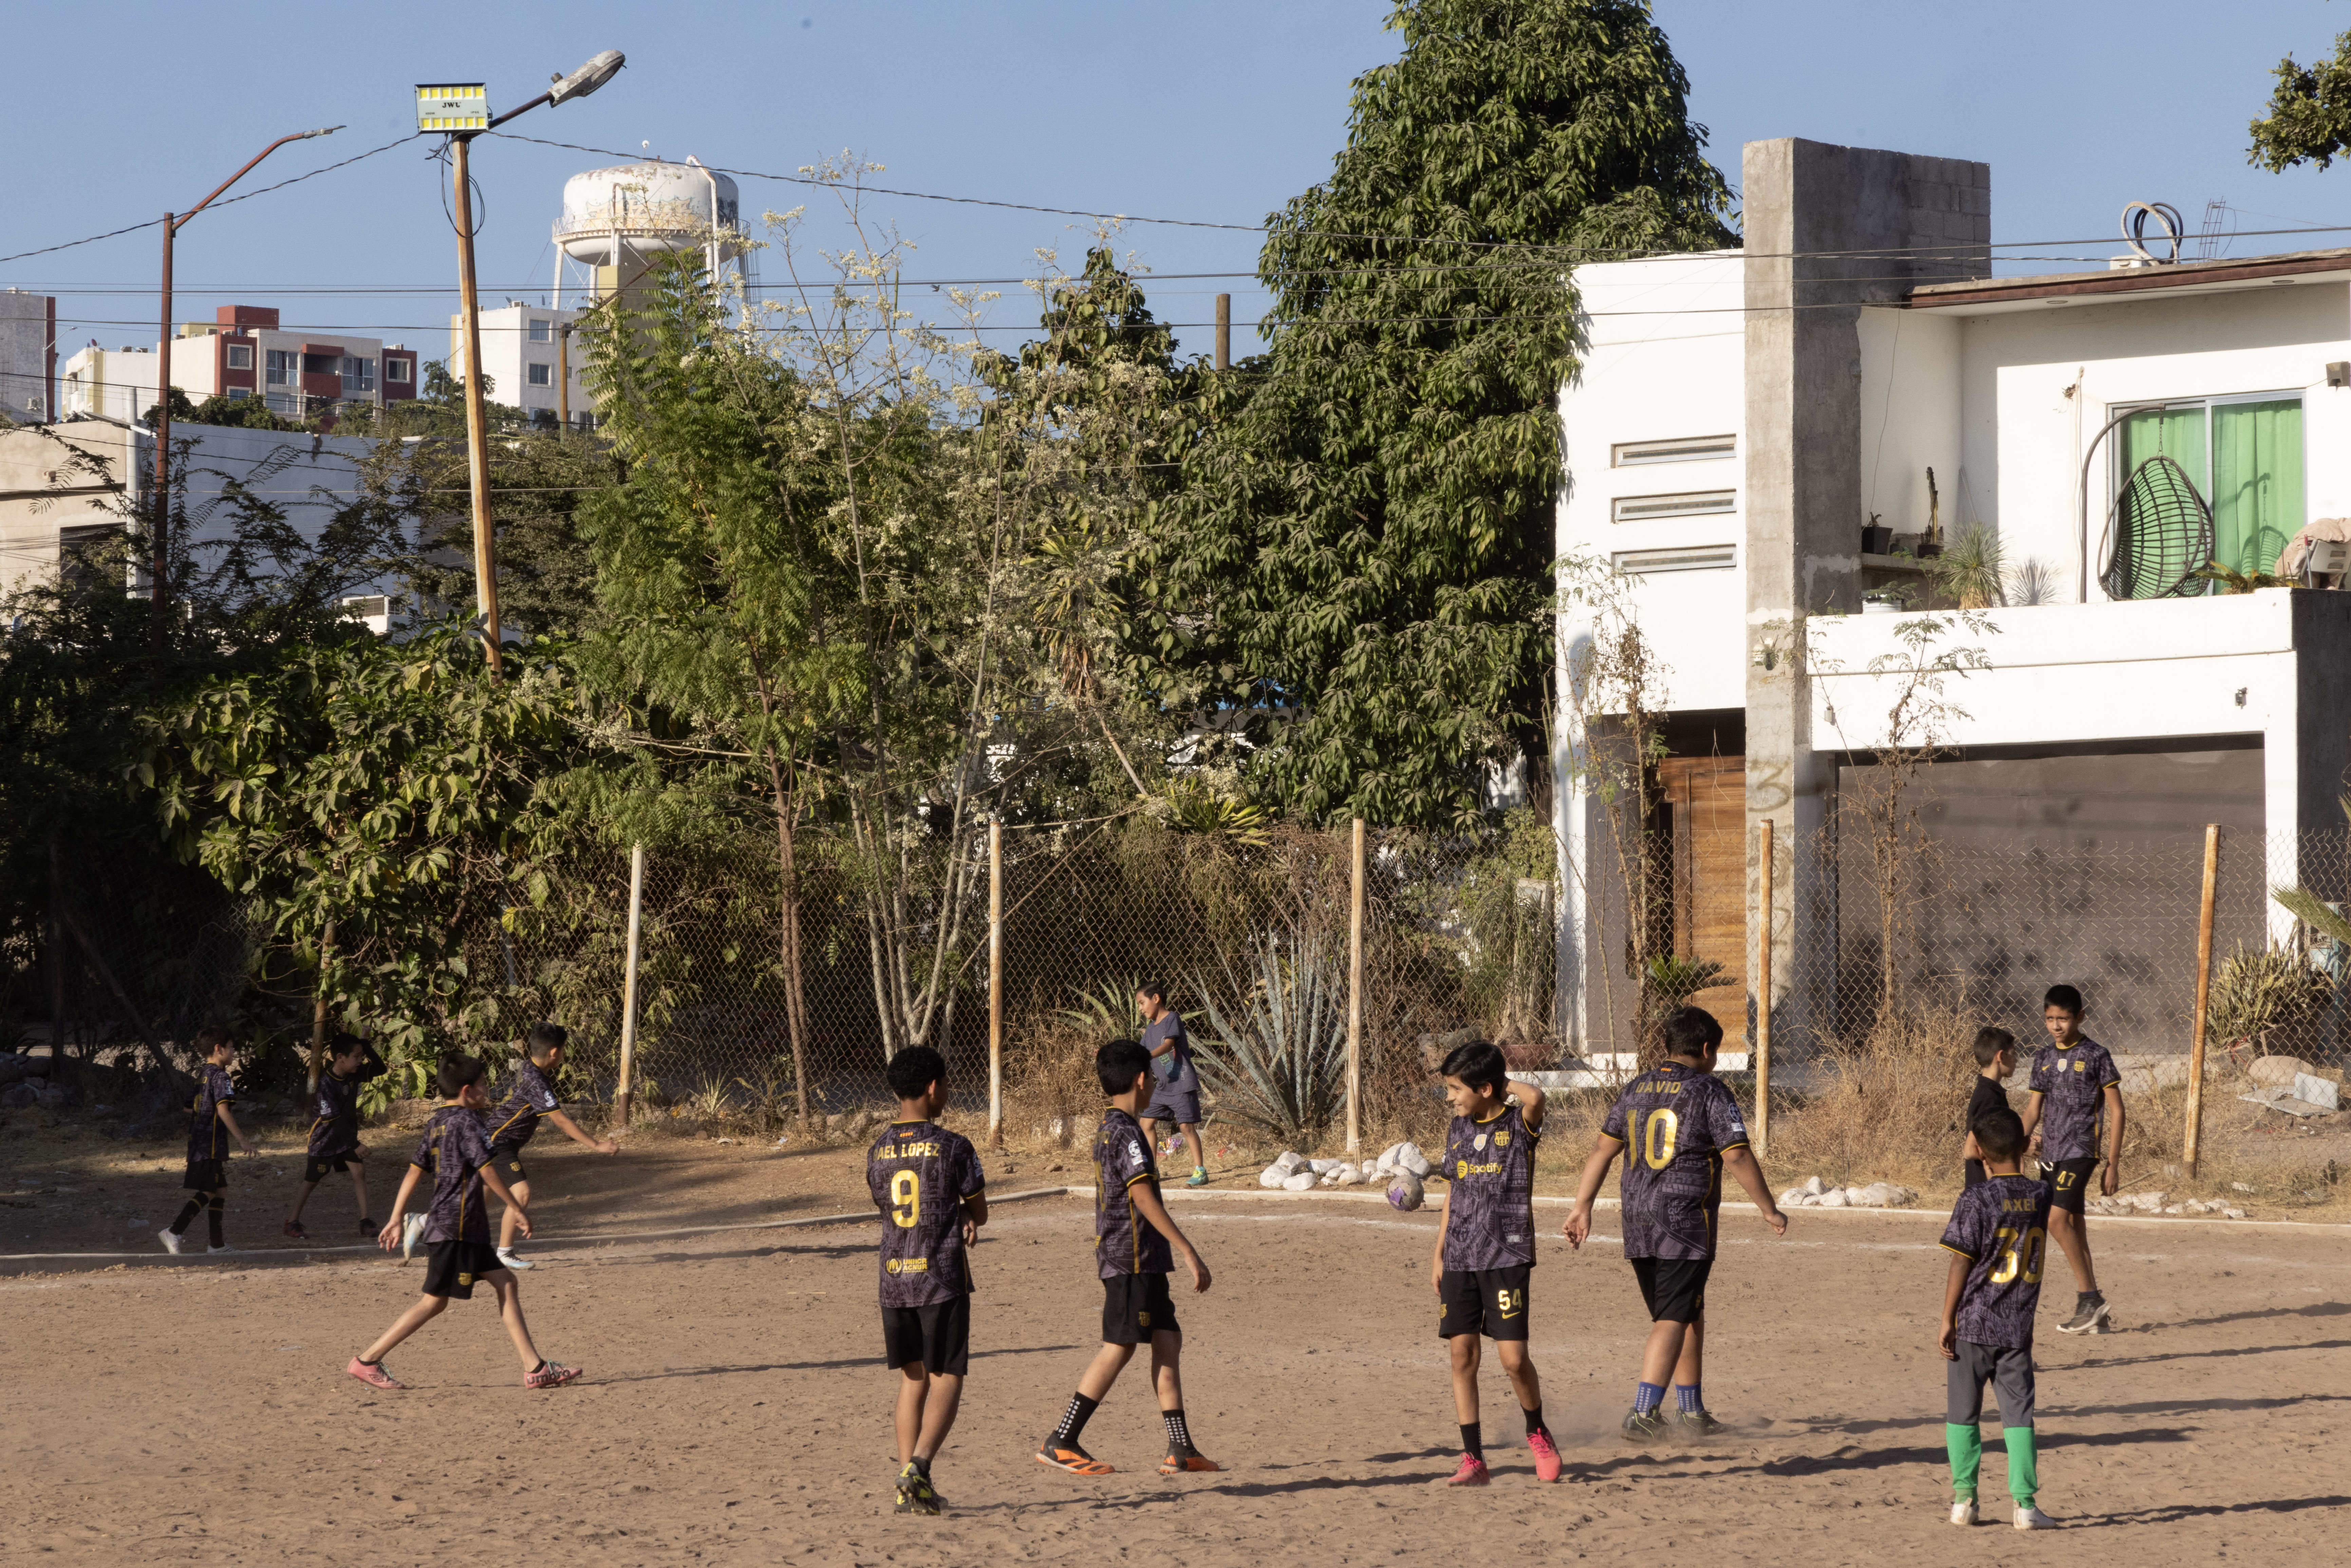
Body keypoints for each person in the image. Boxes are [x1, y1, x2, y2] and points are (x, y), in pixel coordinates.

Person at [1564, 1005, 1787, 1443]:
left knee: (1687, 1309)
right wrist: (1768, 1208)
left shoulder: (1635, 1087)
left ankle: (1691, 1411)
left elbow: (1601, 1150)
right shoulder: (1709, 1090)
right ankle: (1643, 1412)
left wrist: (1582, 1206)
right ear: (1707, 1049)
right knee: (1671, 1316)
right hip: (1684, 1221)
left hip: (1637, 1219)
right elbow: (1737, 1154)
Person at [1035, 1037, 1219, 1478]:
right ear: (1141, 1079)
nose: (1156, 1082)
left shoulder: (1111, 1128)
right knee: (1119, 1347)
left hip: (1144, 1260)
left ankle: (1181, 1448)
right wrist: (1188, 1249)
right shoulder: (1127, 1133)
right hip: (1130, 1258)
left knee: (1167, 1340)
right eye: (1153, 1076)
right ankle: (1062, 1439)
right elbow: (1141, 1195)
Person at [347, 1053, 580, 1391]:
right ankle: (366, 1360)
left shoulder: (437, 1122)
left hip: (465, 1227)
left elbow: (415, 1171)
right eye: (485, 1085)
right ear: (469, 1090)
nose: (488, 1090)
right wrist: (516, 1208)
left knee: (506, 1282)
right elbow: (488, 1169)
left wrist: (398, 1216)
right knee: (434, 1302)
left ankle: (535, 1368)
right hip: (455, 1229)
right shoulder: (470, 1122)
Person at [1430, 1039, 1558, 1486]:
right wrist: (1440, 1251)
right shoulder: (1458, 1128)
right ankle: (1473, 1458)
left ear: (1484, 1087)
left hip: (1506, 1255)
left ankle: (1538, 1429)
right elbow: (1454, 1191)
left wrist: (1499, 1082)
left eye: (1455, 1088)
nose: (1450, 1097)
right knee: (1461, 1354)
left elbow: (1536, 1097)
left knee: (1513, 1359)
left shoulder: (1519, 1124)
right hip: (1461, 1255)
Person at [868, 1044, 988, 1516]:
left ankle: (907, 1483)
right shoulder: (954, 1146)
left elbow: (887, 1207)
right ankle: (918, 1465)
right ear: (934, 1087)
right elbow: (978, 1209)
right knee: (948, 1377)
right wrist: (963, 1213)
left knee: (912, 1378)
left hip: (894, 1280)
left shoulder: (878, 1150)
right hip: (939, 1278)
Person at [1937, 1106, 2058, 1530]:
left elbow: (1959, 1263)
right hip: (2016, 1328)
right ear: (2025, 1145)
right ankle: (2025, 1505)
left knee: (1962, 1415)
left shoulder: (1974, 1198)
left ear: (1980, 1152)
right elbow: (2046, 1178)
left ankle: (1963, 1499)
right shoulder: (2041, 1197)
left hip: (1971, 1323)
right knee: (2019, 1417)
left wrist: (1946, 1318)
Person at [2017, 984, 2123, 1334]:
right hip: (2050, 1155)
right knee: (2075, 1227)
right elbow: (2033, 1110)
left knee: (2055, 1221)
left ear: (2079, 1017)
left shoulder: (2096, 1055)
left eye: (2063, 1018)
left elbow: (2117, 1110)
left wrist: (2112, 1162)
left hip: (2081, 1152)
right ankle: (2098, 1316)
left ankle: (2089, 1298)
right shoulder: (2043, 1059)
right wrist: (2015, 1144)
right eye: (2050, 1019)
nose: (2056, 1025)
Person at [482, 1022, 619, 1271]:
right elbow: (561, 1120)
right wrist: (597, 1144)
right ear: (554, 1053)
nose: (564, 1055)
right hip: (499, 1142)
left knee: (478, 1202)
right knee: (521, 1192)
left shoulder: (530, 1069)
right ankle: (504, 1253)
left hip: (491, 1137)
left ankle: (425, 1222)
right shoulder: (537, 1081)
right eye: (564, 1050)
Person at [160, 1026, 255, 1255]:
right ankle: (174, 1231)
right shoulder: (221, 1077)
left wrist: (202, 1117)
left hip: (199, 1141)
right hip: (210, 1144)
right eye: (232, 1047)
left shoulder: (203, 1074)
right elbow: (224, 1111)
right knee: (211, 1190)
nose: (234, 1052)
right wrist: (243, 1140)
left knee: (220, 1189)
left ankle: (217, 1244)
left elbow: (188, 1106)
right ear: (219, 1048)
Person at [285, 1032, 386, 1240]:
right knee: (312, 1180)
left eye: (362, 1056)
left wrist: (365, 1045)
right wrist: (356, 1144)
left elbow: (381, 1068)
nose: (361, 1061)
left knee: (359, 1173)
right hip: (326, 1140)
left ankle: (366, 1221)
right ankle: (292, 1222)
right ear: (341, 1058)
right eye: (357, 1057)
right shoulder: (326, 1084)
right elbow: (335, 1121)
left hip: (345, 1137)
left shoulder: (354, 1073)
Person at [1136, 983, 1209, 1188]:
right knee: (1146, 1124)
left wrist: (1147, 1055)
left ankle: (1200, 1171)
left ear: (1156, 999)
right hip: (1163, 1087)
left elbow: (1169, 1045)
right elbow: (1139, 1051)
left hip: (1182, 1083)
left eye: (1142, 1003)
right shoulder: (1150, 1030)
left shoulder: (1172, 1019)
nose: (1140, 1009)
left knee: (1186, 1127)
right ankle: (1152, 1170)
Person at [1960, 1027, 2016, 1190]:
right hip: (1985, 1190)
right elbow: (1970, 1151)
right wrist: (2019, 1150)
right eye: (2014, 1053)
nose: (2016, 1059)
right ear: (2001, 1056)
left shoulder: (1990, 1092)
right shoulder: (1988, 1098)